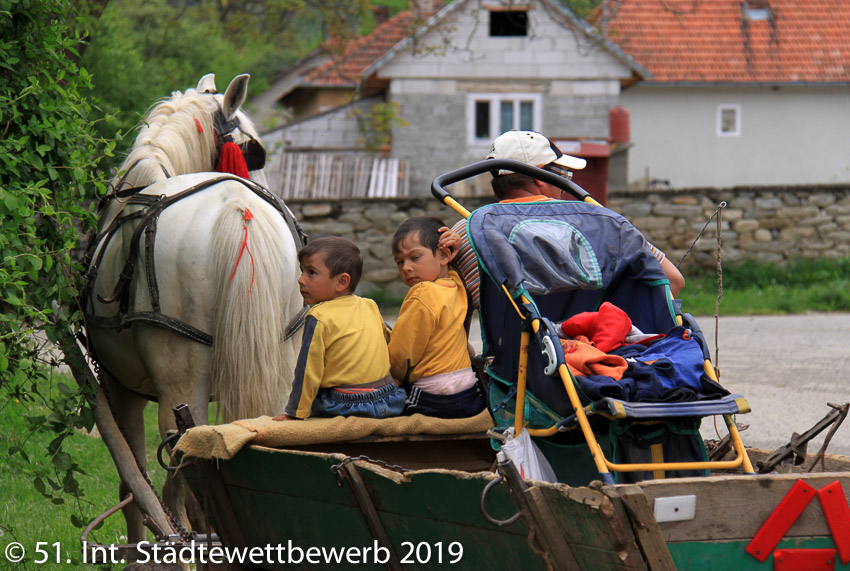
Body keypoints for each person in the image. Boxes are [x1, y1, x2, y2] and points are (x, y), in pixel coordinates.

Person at [442, 130, 685, 310]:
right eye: (562, 175)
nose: (565, 186)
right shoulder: (601, 222)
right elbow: (672, 281)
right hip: (606, 358)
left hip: (517, 367)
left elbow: (450, 315)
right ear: (540, 177)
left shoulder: (469, 232)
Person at [274, 237, 406, 421]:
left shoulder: (318, 316)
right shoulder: (369, 305)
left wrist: (294, 413)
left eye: (311, 272)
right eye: (301, 271)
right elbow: (391, 342)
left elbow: (308, 371)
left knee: (317, 395)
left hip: (347, 404)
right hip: (389, 399)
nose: (300, 280)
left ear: (341, 282)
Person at [388, 217, 486, 418]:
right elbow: (469, 267)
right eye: (400, 261)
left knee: (385, 400)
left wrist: (391, 380)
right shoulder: (457, 284)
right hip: (468, 393)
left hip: (432, 397)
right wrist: (457, 251)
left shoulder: (422, 294)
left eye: (414, 258)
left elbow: (402, 354)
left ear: (443, 255)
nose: (406, 267)